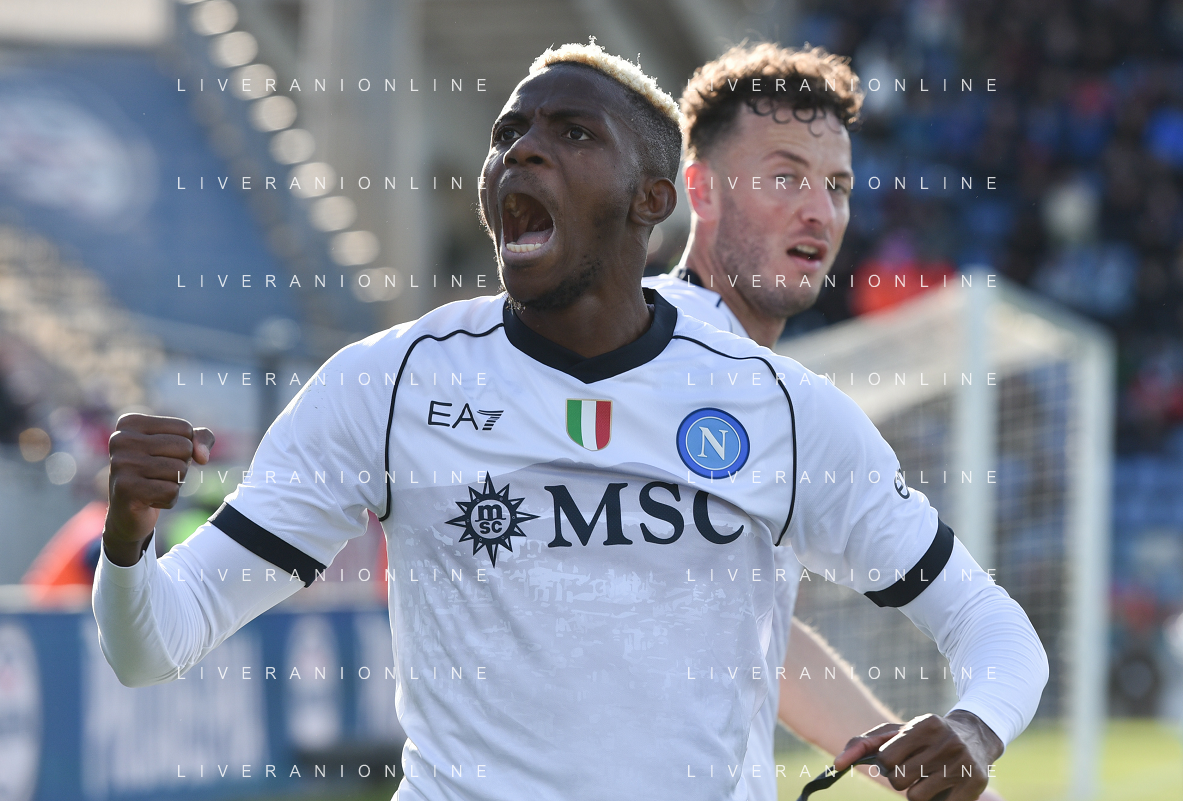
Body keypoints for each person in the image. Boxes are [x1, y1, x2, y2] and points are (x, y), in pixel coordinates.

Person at [93, 42, 1047, 801]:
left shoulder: (784, 411)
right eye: (509, 133)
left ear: (651, 199)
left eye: (571, 133)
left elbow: (990, 627)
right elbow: (153, 645)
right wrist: (129, 541)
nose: (522, 150)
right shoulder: (386, 385)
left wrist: (972, 727)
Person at [645, 44, 1008, 799]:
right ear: (700, 190)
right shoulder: (644, 358)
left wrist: (916, 766)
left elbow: (753, 640)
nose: (820, 210)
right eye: (785, 177)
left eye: (837, 185)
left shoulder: (773, 394)